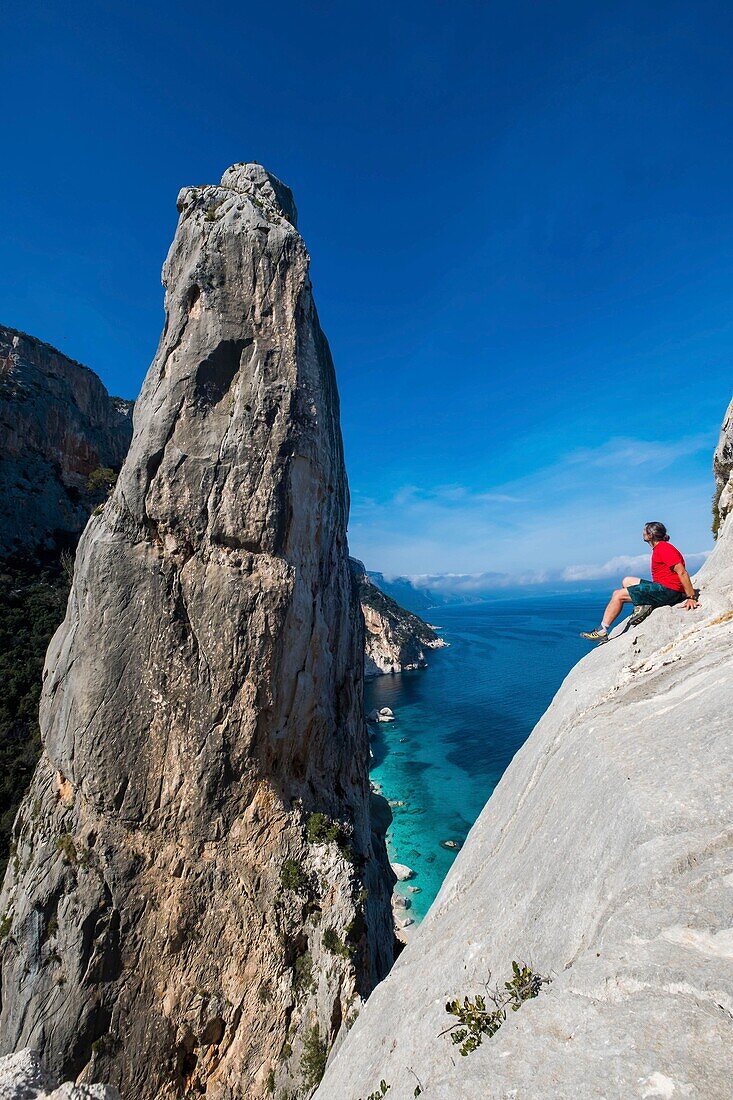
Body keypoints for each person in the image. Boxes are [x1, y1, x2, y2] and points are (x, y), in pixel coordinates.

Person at [580, 521, 700, 645]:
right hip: (663, 587)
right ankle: (643, 605)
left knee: (618, 595)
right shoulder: (660, 548)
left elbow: (682, 572)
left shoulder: (664, 548)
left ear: (651, 535)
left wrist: (691, 597)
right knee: (627, 581)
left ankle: (602, 631)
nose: (642, 533)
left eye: (645, 531)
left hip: (668, 591)